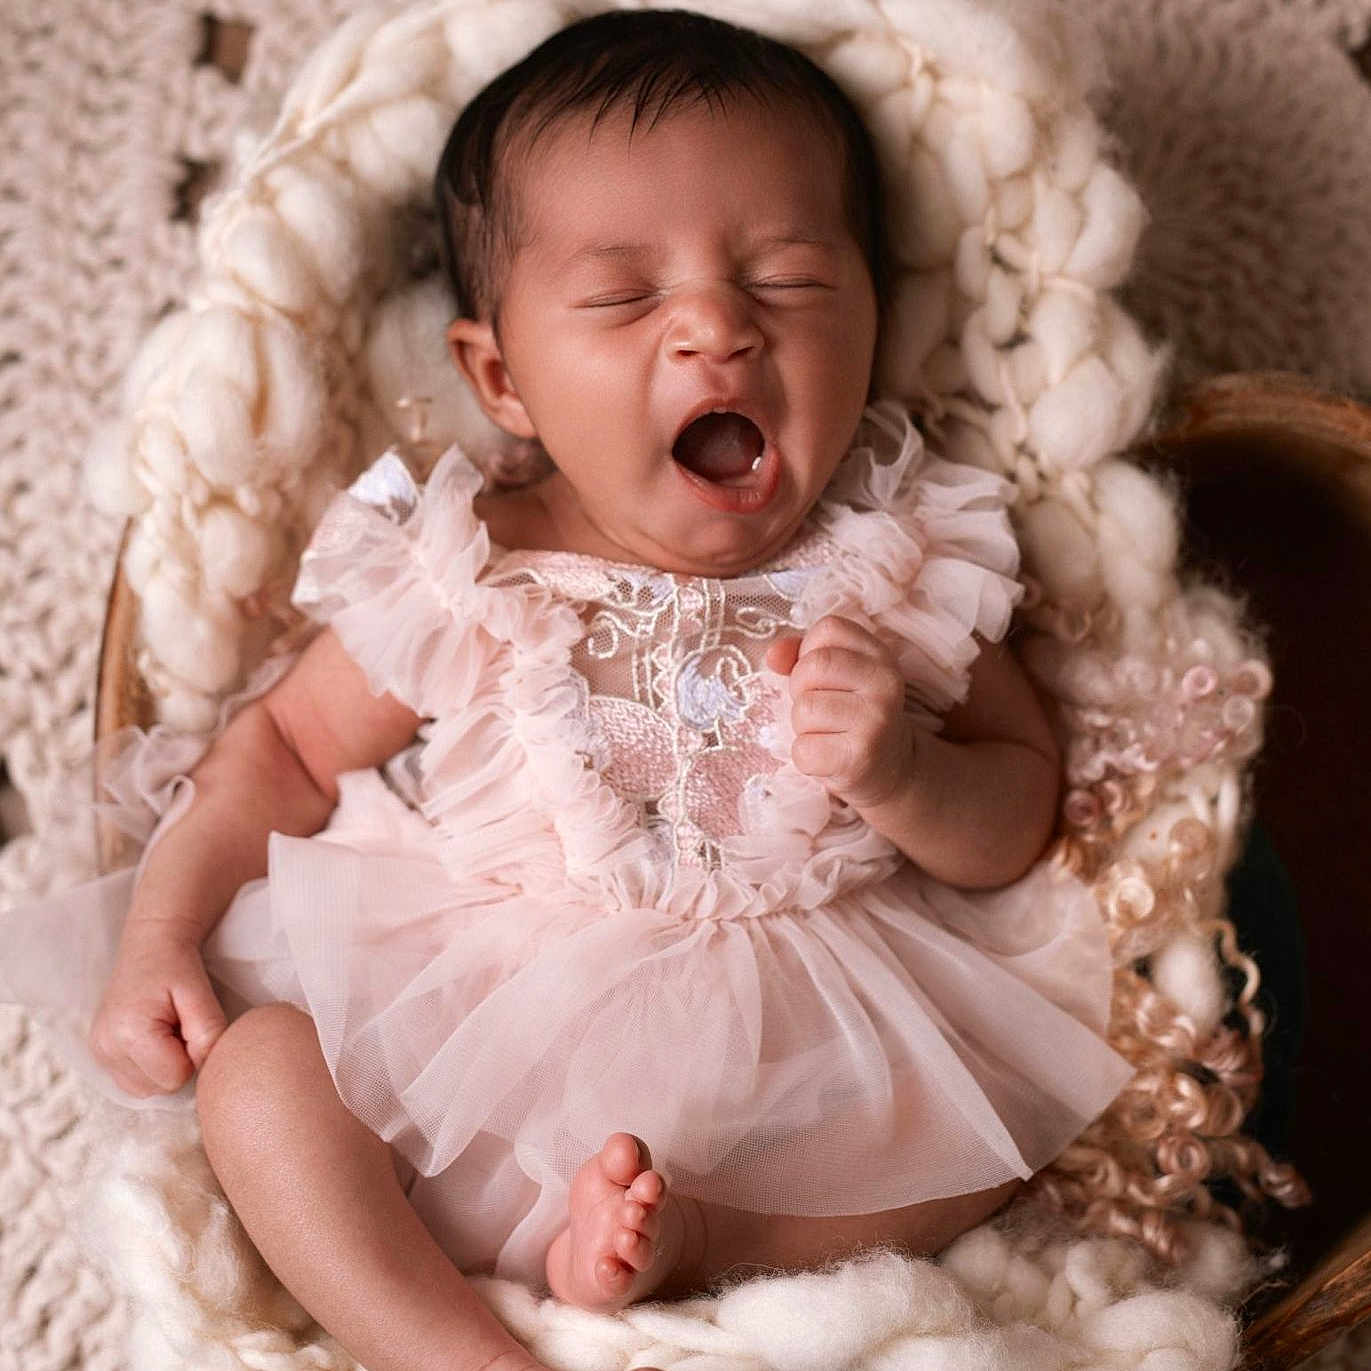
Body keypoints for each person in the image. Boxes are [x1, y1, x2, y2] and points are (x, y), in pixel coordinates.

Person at [5, 11, 1134, 1371]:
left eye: (785, 280)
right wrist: (160, 934)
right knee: (259, 1084)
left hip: (800, 1078)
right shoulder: (473, 564)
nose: (715, 329)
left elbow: (1020, 805)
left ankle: (702, 1242)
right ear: (503, 376)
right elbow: (286, 750)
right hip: (462, 1051)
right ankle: (457, 1350)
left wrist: (906, 771)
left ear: (876, 315)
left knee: (998, 1136)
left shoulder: (898, 563)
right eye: (621, 298)